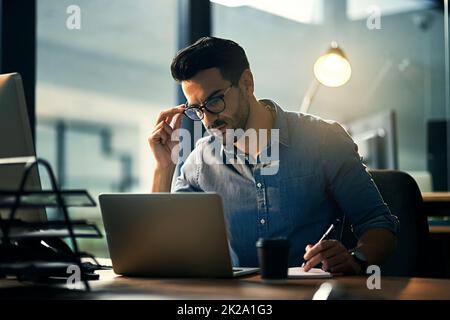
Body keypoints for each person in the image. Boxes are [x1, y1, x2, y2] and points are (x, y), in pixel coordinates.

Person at [148, 36, 399, 274]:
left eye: (214, 101)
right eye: (197, 110)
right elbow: (160, 248)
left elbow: (379, 224)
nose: (208, 119)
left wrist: (355, 259)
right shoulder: (200, 162)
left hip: (310, 296)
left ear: (247, 83)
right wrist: (163, 168)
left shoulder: (323, 140)